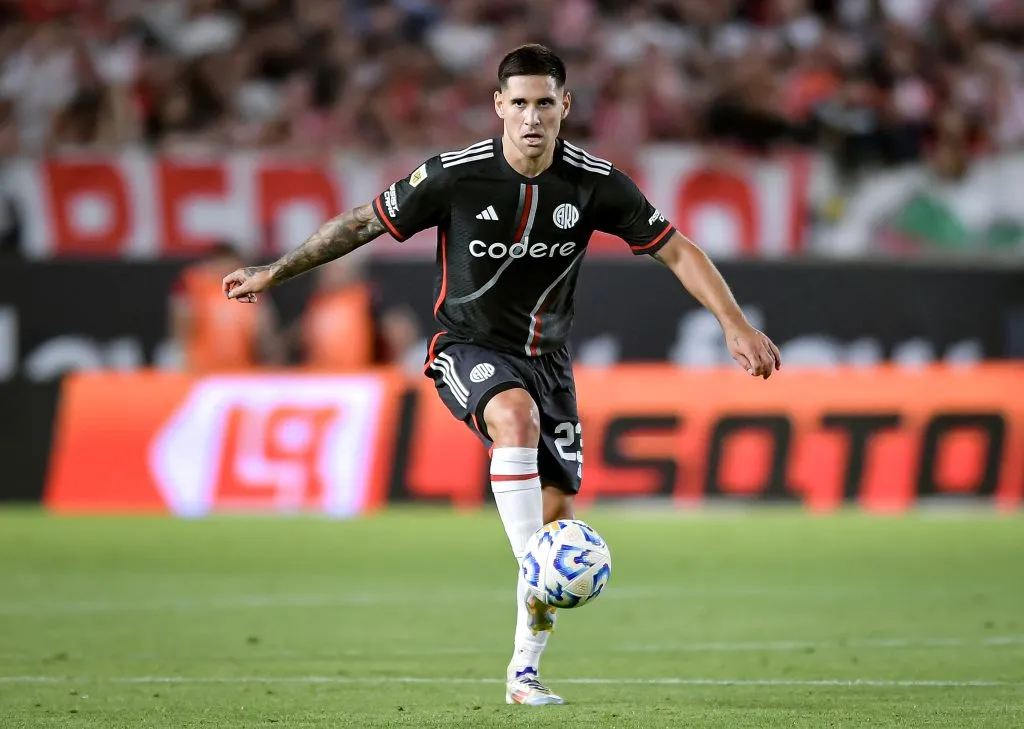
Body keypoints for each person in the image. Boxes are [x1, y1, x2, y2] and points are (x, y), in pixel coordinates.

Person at [222, 44, 781, 705]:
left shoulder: (596, 182)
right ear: (498, 107)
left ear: (565, 106)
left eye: (545, 102)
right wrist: (275, 271)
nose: (532, 117)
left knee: (556, 511)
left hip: (549, 361)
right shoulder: (456, 175)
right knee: (514, 418)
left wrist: (734, 323)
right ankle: (538, 566)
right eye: (519, 103)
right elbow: (361, 222)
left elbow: (677, 250)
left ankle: (523, 675)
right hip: (467, 345)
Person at [171, 241, 283, 372]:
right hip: (202, 369)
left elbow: (264, 330)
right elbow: (181, 325)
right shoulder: (195, 283)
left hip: (241, 370)